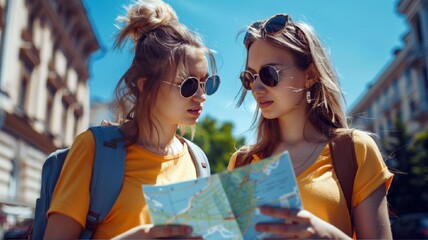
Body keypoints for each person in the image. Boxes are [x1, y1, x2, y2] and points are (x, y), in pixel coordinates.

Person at [44, 0, 220, 239]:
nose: (201, 95)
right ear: (146, 86)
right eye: (188, 85)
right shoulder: (93, 149)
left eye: (207, 83)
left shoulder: (198, 161)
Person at [228, 14, 393, 239]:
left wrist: (328, 236)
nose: (256, 88)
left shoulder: (355, 150)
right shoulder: (242, 163)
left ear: (310, 75)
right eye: (249, 77)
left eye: (269, 74)